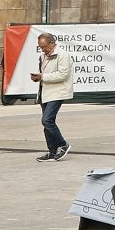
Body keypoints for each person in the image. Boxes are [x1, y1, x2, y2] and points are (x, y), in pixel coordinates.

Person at [31, 32, 74, 162]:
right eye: (41, 47)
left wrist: (43, 77)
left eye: (45, 46)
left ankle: (62, 144)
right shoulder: (43, 56)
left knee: (47, 120)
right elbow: (45, 73)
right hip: (45, 92)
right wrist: (37, 78)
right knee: (47, 122)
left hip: (58, 92)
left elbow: (63, 75)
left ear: (52, 43)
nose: (43, 49)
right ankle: (52, 150)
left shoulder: (62, 55)